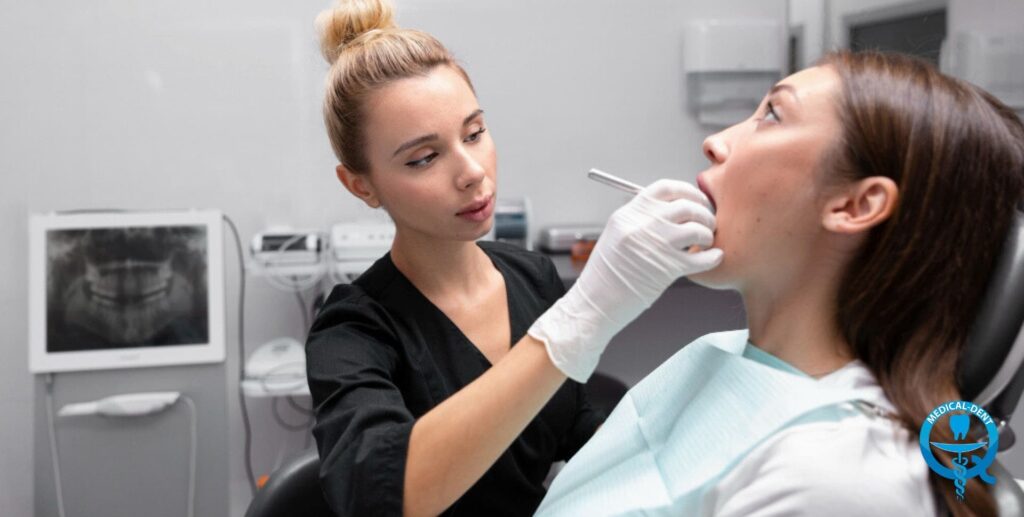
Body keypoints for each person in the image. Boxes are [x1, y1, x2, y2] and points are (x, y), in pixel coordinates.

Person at [535, 51, 1024, 517]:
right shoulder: (720, 354)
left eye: (771, 115)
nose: (715, 143)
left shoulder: (840, 478)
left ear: (855, 206)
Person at [305, 1, 721, 515]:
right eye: (424, 158)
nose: (472, 172)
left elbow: (573, 434)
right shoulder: (350, 331)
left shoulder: (531, 275)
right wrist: (582, 316)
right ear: (360, 184)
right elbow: (381, 492)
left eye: (475, 133)